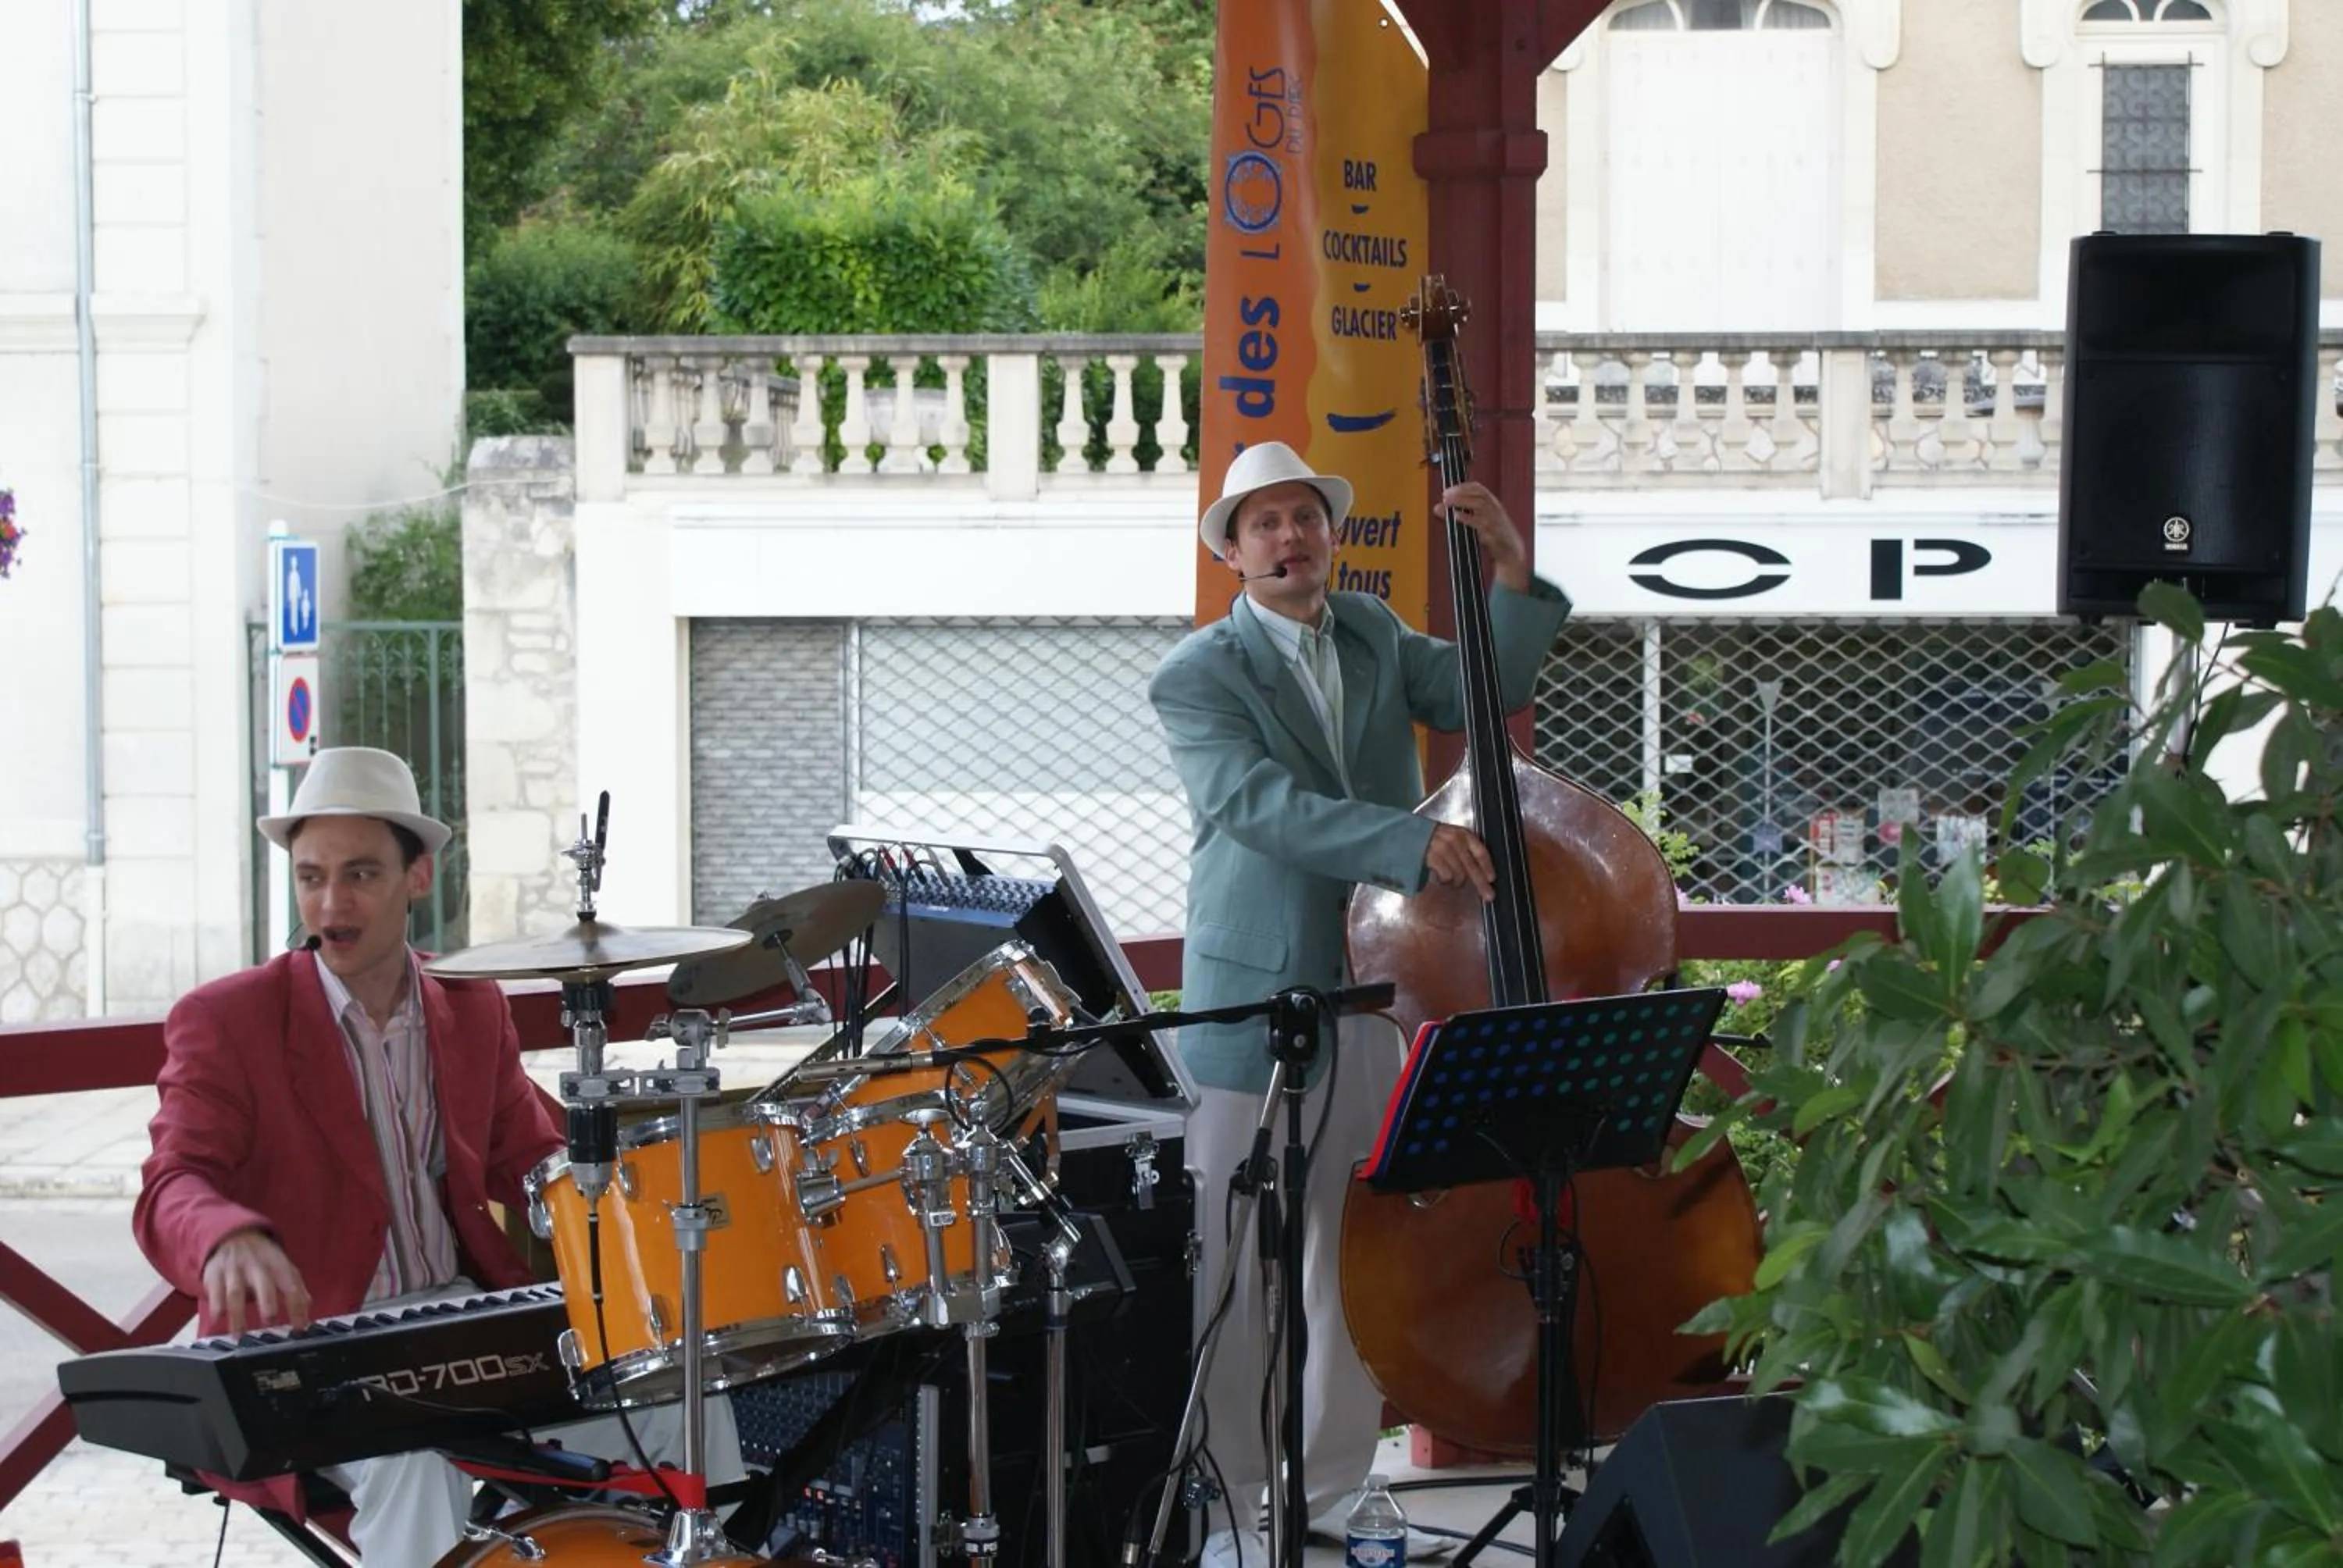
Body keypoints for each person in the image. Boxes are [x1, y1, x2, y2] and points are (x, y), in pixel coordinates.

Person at [130, 746, 734, 1566]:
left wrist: (632, 1210)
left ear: (419, 877)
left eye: (361, 875)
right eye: (311, 877)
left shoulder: (469, 1003)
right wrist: (226, 1235)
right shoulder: (227, 1019)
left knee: (685, 1399)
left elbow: (534, 1156)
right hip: (313, 1353)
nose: (331, 903)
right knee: (415, 1465)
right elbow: (174, 1180)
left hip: (455, 1328)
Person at [1148, 442, 1571, 1568]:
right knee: (1234, 1263)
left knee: (1353, 1262)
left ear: (1331, 537)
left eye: (1306, 518)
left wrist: (1513, 576)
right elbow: (1256, 804)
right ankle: (1233, 1502)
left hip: (1377, 992)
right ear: (1233, 553)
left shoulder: (1377, 634)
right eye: (1265, 524)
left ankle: (1329, 1492)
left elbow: (1492, 688)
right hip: (1252, 1001)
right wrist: (1406, 840)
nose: (1290, 538)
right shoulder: (1195, 674)